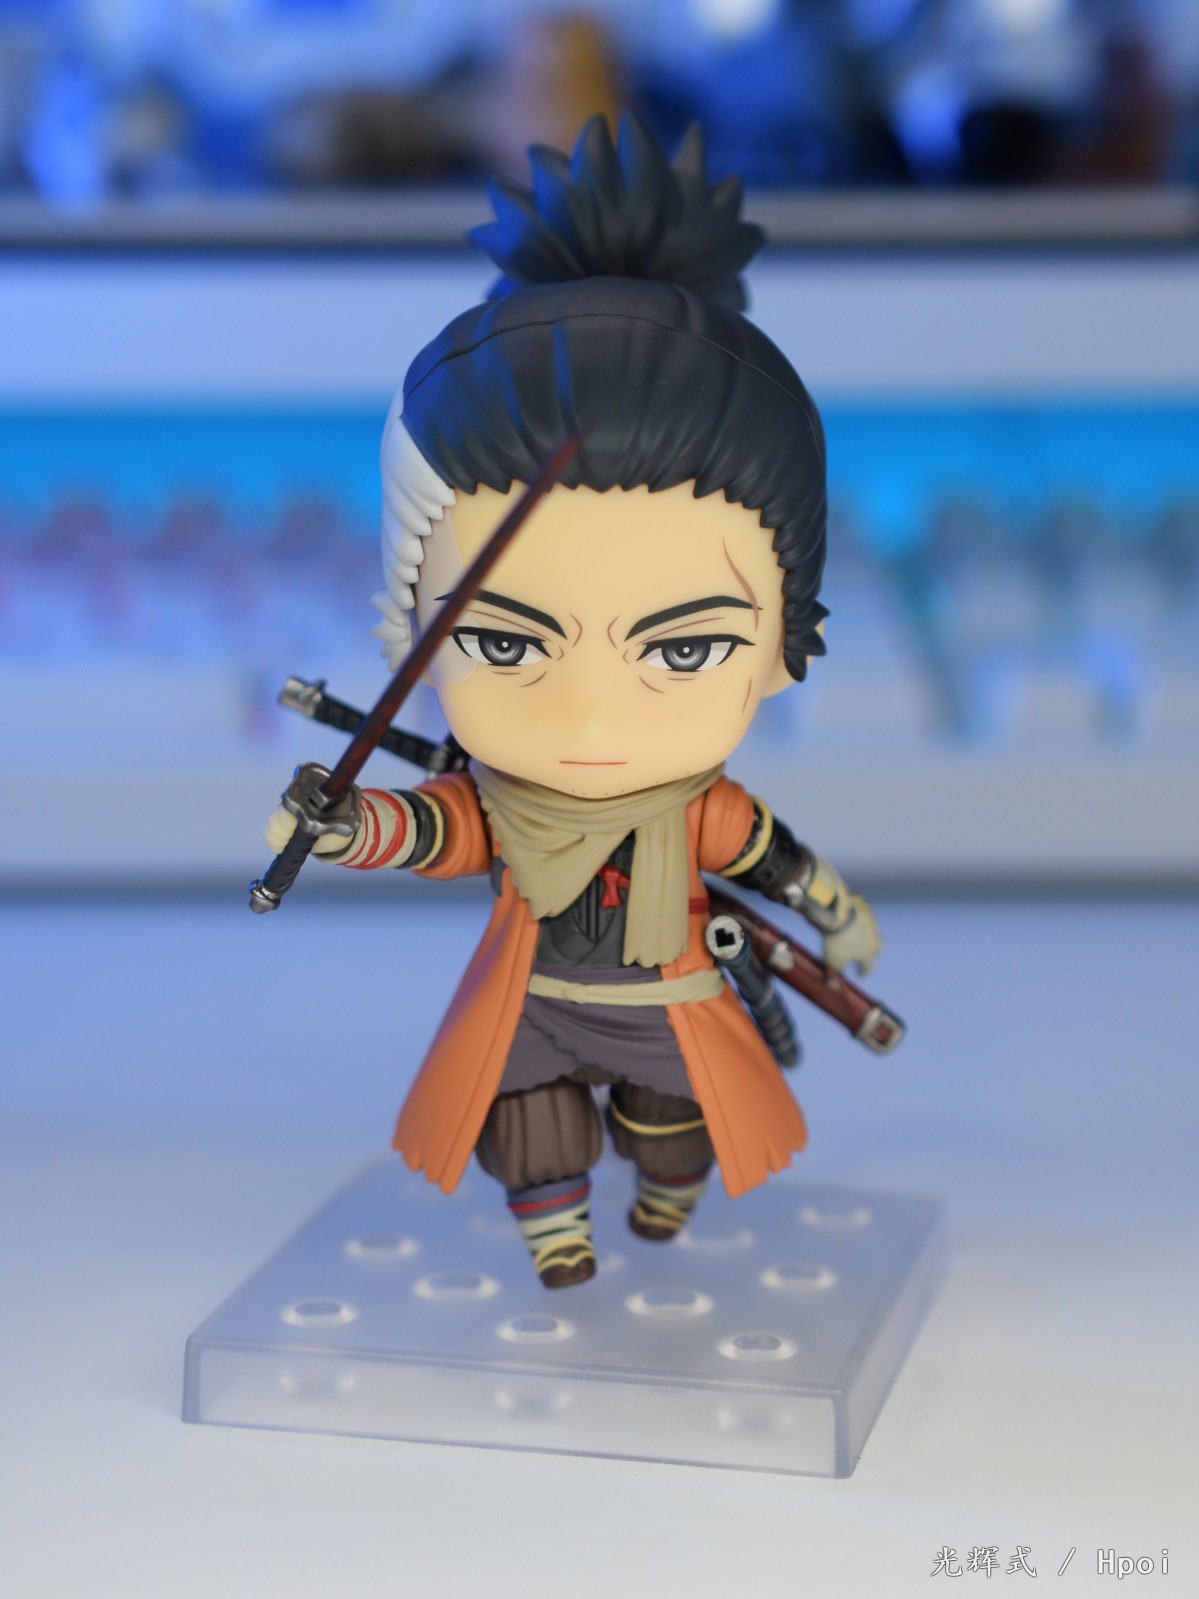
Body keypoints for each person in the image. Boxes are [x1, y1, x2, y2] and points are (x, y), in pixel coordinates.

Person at [266, 114, 882, 1288]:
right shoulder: (499, 798)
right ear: (413, 632)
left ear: (779, 645)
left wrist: (833, 911)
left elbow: (767, 857)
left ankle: (664, 1192)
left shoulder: (695, 811)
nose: (590, 720)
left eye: (684, 650)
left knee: (674, 1120)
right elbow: (441, 829)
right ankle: (553, 1226)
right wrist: (345, 828)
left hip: (671, 997)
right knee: (527, 1119)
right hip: (534, 999)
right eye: (505, 643)